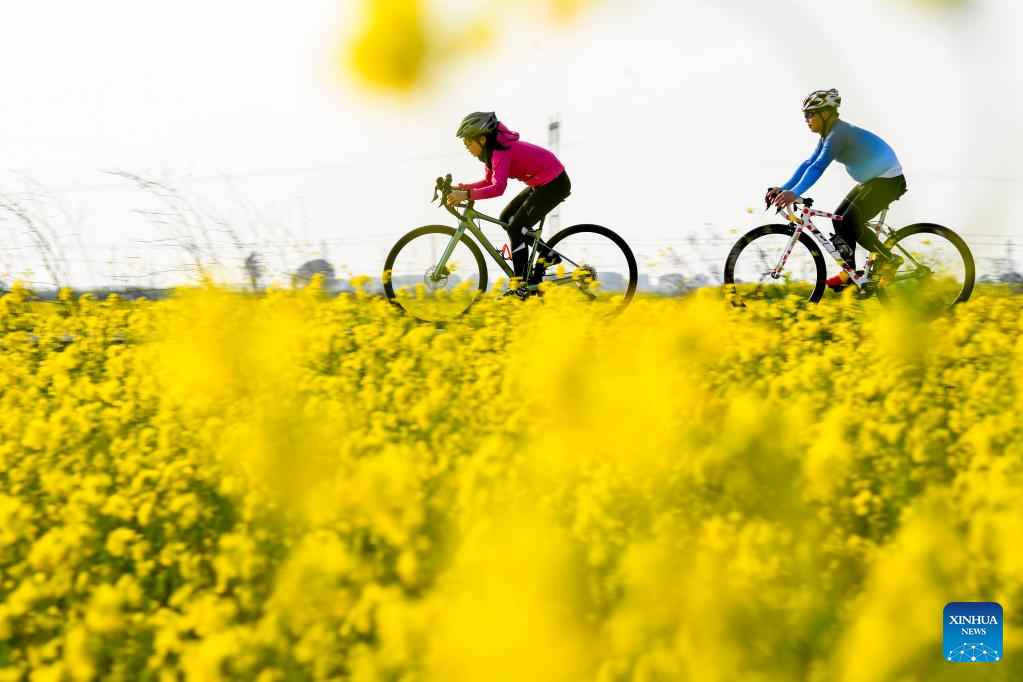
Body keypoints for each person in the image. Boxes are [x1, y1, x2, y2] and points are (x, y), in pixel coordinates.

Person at [767, 89, 906, 289]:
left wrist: (794, 193)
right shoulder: (828, 135)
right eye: (805, 115)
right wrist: (784, 187)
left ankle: (889, 260)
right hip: (873, 181)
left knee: (849, 220)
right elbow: (808, 163)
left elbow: (818, 167)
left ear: (826, 114)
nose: (806, 119)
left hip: (888, 180)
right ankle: (849, 272)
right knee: (839, 219)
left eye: (810, 114)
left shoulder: (839, 134)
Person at [448, 111, 571, 287]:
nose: (466, 146)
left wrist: (466, 195)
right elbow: (489, 181)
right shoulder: (490, 154)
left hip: (555, 183)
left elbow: (498, 188)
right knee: (506, 218)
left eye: (468, 141)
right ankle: (548, 254)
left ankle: (519, 285)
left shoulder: (500, 153)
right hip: (542, 182)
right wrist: (462, 188)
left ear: (482, 139)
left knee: (517, 227)